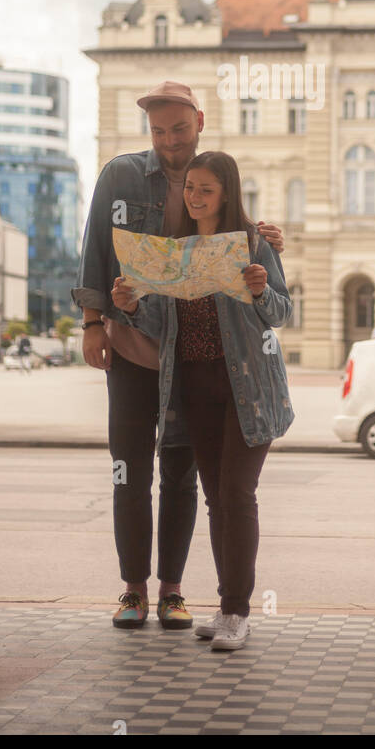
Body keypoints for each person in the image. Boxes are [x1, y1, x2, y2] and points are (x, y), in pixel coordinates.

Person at [72, 81, 284, 633]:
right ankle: (132, 590)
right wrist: (94, 323)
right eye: (159, 130)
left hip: (187, 361)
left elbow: (230, 249)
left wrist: (261, 243)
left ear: (200, 123)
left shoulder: (213, 177)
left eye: (179, 128)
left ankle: (172, 590)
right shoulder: (120, 175)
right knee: (129, 472)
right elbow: (96, 247)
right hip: (134, 349)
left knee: (183, 476)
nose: (168, 139)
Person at [113, 150, 293, 652]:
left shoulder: (253, 243)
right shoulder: (175, 251)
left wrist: (260, 291)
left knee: (237, 495)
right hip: (193, 388)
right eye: (189, 187)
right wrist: (131, 306)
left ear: (227, 194)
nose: (193, 197)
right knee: (216, 501)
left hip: (247, 388)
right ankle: (225, 606)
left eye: (205, 189)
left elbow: (282, 313)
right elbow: (161, 327)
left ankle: (238, 611)